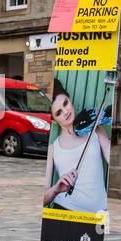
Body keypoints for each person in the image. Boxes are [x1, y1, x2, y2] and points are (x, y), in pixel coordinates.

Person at [43, 78, 111, 212]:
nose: (66, 111)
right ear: (54, 120)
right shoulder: (53, 149)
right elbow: (43, 198)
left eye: (65, 103)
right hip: (64, 210)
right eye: (58, 113)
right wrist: (56, 189)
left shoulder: (95, 128)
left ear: (70, 99)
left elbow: (112, 157)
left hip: (98, 214)